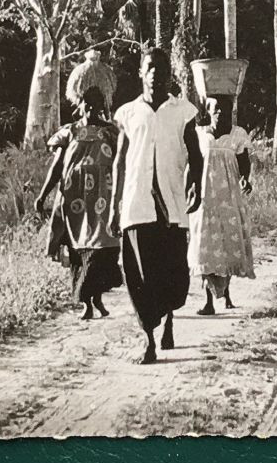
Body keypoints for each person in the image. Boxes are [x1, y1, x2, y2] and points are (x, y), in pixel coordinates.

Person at [111, 46, 202, 364]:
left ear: (169, 74)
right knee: (139, 275)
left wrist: (196, 186)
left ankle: (170, 319)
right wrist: (113, 206)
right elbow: (120, 162)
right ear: (140, 72)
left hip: (171, 205)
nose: (155, 73)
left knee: (172, 273)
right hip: (136, 205)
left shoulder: (183, 111)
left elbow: (195, 153)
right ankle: (149, 339)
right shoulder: (128, 113)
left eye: (161, 68)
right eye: (149, 67)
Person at [33, 53, 122, 321]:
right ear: (80, 105)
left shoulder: (112, 132)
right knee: (78, 250)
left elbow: (124, 163)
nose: (93, 109)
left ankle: (97, 297)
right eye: (88, 104)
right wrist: (42, 196)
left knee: (102, 248)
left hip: (104, 201)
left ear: (103, 105)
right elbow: (57, 167)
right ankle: (86, 302)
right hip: (75, 201)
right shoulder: (69, 132)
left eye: (97, 104)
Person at [189, 90, 255, 314]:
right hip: (205, 199)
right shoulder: (200, 134)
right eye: (215, 108)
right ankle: (208, 300)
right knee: (205, 247)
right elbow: (194, 165)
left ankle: (226, 293)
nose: (220, 113)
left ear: (231, 111)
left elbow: (244, 164)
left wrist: (246, 179)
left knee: (226, 244)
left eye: (224, 109)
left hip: (228, 198)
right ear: (208, 110)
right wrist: (190, 188)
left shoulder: (237, 135)